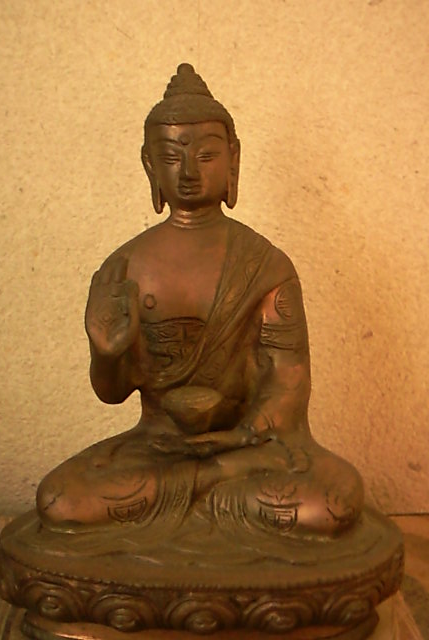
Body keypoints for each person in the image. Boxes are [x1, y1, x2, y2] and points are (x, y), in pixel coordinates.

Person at [36, 64, 363, 539]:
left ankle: (197, 492)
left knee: (332, 500)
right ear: (150, 165)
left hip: (250, 449)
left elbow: (288, 384)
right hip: (159, 448)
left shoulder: (266, 265)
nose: (189, 172)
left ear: (233, 160)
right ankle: (207, 497)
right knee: (60, 499)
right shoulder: (124, 267)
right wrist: (106, 353)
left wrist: (239, 438)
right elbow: (112, 392)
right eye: (171, 157)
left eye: (206, 155)